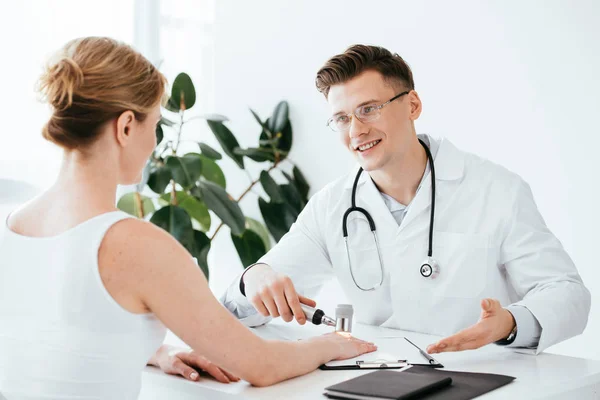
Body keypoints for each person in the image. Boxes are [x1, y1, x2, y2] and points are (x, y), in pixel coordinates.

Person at [0, 37, 376, 399]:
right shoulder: (136, 246)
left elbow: (50, 333)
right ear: (127, 126)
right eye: (155, 125)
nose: (155, 143)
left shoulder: (9, 224)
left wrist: (151, 351)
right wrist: (328, 345)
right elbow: (261, 365)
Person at [221, 44, 591, 355]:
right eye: (341, 118)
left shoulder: (496, 190)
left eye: (368, 109)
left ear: (412, 104)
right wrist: (252, 278)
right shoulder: (331, 206)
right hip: (372, 377)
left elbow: (567, 294)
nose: (356, 130)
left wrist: (509, 324)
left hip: (479, 376)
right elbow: (252, 304)